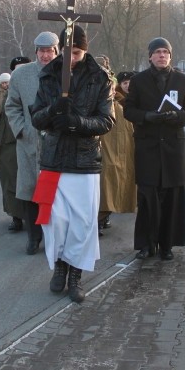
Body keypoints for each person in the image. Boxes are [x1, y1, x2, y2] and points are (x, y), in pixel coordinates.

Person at [30, 25, 114, 303]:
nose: (71, 57)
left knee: (82, 223)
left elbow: (106, 121)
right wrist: (54, 110)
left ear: (85, 50)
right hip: (53, 160)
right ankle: (60, 266)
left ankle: (75, 274)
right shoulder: (48, 74)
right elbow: (37, 118)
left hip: (84, 161)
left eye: (77, 52)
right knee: (54, 221)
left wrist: (77, 123)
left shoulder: (99, 78)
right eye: (67, 52)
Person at [123, 37, 185, 261]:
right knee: (147, 197)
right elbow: (128, 110)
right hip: (147, 146)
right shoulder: (138, 80)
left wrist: (179, 117)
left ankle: (167, 245)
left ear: (170, 56)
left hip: (173, 147)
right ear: (150, 56)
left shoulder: (183, 80)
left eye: (165, 52)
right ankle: (146, 244)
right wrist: (147, 116)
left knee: (172, 198)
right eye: (157, 52)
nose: (162, 55)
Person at [6, 32, 60, 254]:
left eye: (49, 51)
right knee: (30, 189)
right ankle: (33, 236)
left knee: (56, 190)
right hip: (29, 141)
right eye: (42, 51)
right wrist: (23, 130)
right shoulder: (22, 75)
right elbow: (12, 106)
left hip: (58, 140)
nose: (46, 55)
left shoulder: (65, 73)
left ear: (56, 51)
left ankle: (56, 235)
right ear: (36, 52)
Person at [98, 68, 137, 234]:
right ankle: (100, 218)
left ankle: (102, 216)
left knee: (113, 186)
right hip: (101, 154)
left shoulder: (121, 106)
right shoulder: (101, 106)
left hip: (122, 153)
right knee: (104, 187)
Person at [0, 71, 25, 230]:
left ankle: (30, 216)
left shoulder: (28, 90)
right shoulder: (0, 94)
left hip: (24, 140)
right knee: (9, 179)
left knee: (26, 180)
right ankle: (16, 215)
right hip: (5, 140)